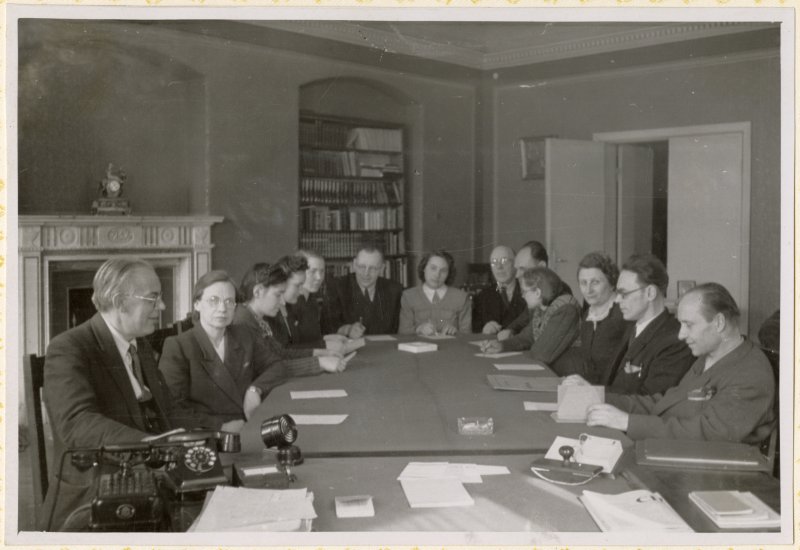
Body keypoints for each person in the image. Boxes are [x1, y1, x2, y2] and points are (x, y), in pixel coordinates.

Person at [40, 257, 205, 531]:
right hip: (94, 499)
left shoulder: (139, 344)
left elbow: (169, 409)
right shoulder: (69, 347)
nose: (162, 306)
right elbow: (78, 424)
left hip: (150, 482)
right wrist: (150, 444)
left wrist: (208, 434)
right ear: (119, 302)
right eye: (153, 298)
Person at [583, 283, 776, 443]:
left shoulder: (751, 373)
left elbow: (709, 434)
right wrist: (598, 398)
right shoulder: (709, 357)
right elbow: (665, 403)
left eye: (689, 325)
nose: (681, 335)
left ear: (719, 322)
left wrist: (627, 422)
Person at [159, 270, 344, 432]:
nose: (222, 308)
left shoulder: (242, 334)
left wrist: (255, 389)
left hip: (252, 422)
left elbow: (276, 365)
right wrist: (220, 427)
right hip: (211, 436)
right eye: (213, 301)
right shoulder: (178, 346)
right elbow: (173, 410)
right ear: (197, 304)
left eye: (229, 301)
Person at [232, 261, 345, 370]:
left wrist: (319, 353)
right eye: (278, 295)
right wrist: (318, 363)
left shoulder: (255, 319)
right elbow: (270, 367)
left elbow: (281, 353)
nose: (282, 302)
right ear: (258, 292)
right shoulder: (242, 323)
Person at [553, 252, 631, 381]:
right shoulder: (588, 316)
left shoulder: (623, 314)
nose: (588, 290)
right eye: (583, 283)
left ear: (612, 283)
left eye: (595, 282)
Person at [481, 267, 580, 364]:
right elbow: (527, 338)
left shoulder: (566, 310)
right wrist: (501, 346)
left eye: (524, 291)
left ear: (537, 293)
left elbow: (541, 354)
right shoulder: (541, 308)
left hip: (569, 369)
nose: (522, 296)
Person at [324, 247, 403, 336]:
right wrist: (348, 329)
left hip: (385, 344)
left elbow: (400, 328)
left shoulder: (395, 290)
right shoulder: (337, 287)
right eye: (362, 267)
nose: (366, 273)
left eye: (373, 268)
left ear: (382, 268)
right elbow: (328, 325)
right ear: (354, 265)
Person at [398, 249, 471, 335]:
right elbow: (403, 333)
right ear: (424, 268)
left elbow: (468, 334)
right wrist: (418, 329)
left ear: (449, 273)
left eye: (443, 270)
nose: (437, 275)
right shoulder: (409, 296)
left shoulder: (461, 298)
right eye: (433, 268)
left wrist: (456, 332)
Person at [496, 240, 551, 341]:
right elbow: (523, 319)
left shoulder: (556, 293)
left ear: (541, 267)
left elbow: (531, 334)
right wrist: (509, 330)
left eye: (522, 268)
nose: (517, 275)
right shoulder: (534, 291)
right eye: (516, 269)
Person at [471, 245, 527, 334]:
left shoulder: (528, 291)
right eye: (494, 262)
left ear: (515, 264)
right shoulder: (482, 297)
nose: (499, 267)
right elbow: (475, 329)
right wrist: (484, 330)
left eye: (504, 261)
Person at [285, 250, 328, 347]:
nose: (319, 277)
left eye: (322, 271)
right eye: (313, 271)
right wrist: (323, 345)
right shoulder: (288, 302)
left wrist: (327, 338)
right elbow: (288, 348)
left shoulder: (312, 300)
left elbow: (309, 339)